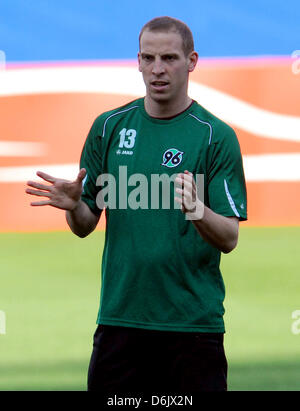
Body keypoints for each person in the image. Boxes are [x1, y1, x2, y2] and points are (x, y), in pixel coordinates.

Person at [26, 16, 247, 393]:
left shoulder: (215, 136)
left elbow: (229, 237)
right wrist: (74, 205)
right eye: (148, 58)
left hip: (193, 329)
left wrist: (197, 210)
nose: (157, 69)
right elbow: (85, 225)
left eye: (169, 58)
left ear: (191, 61)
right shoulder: (109, 127)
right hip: (119, 324)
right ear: (138, 60)